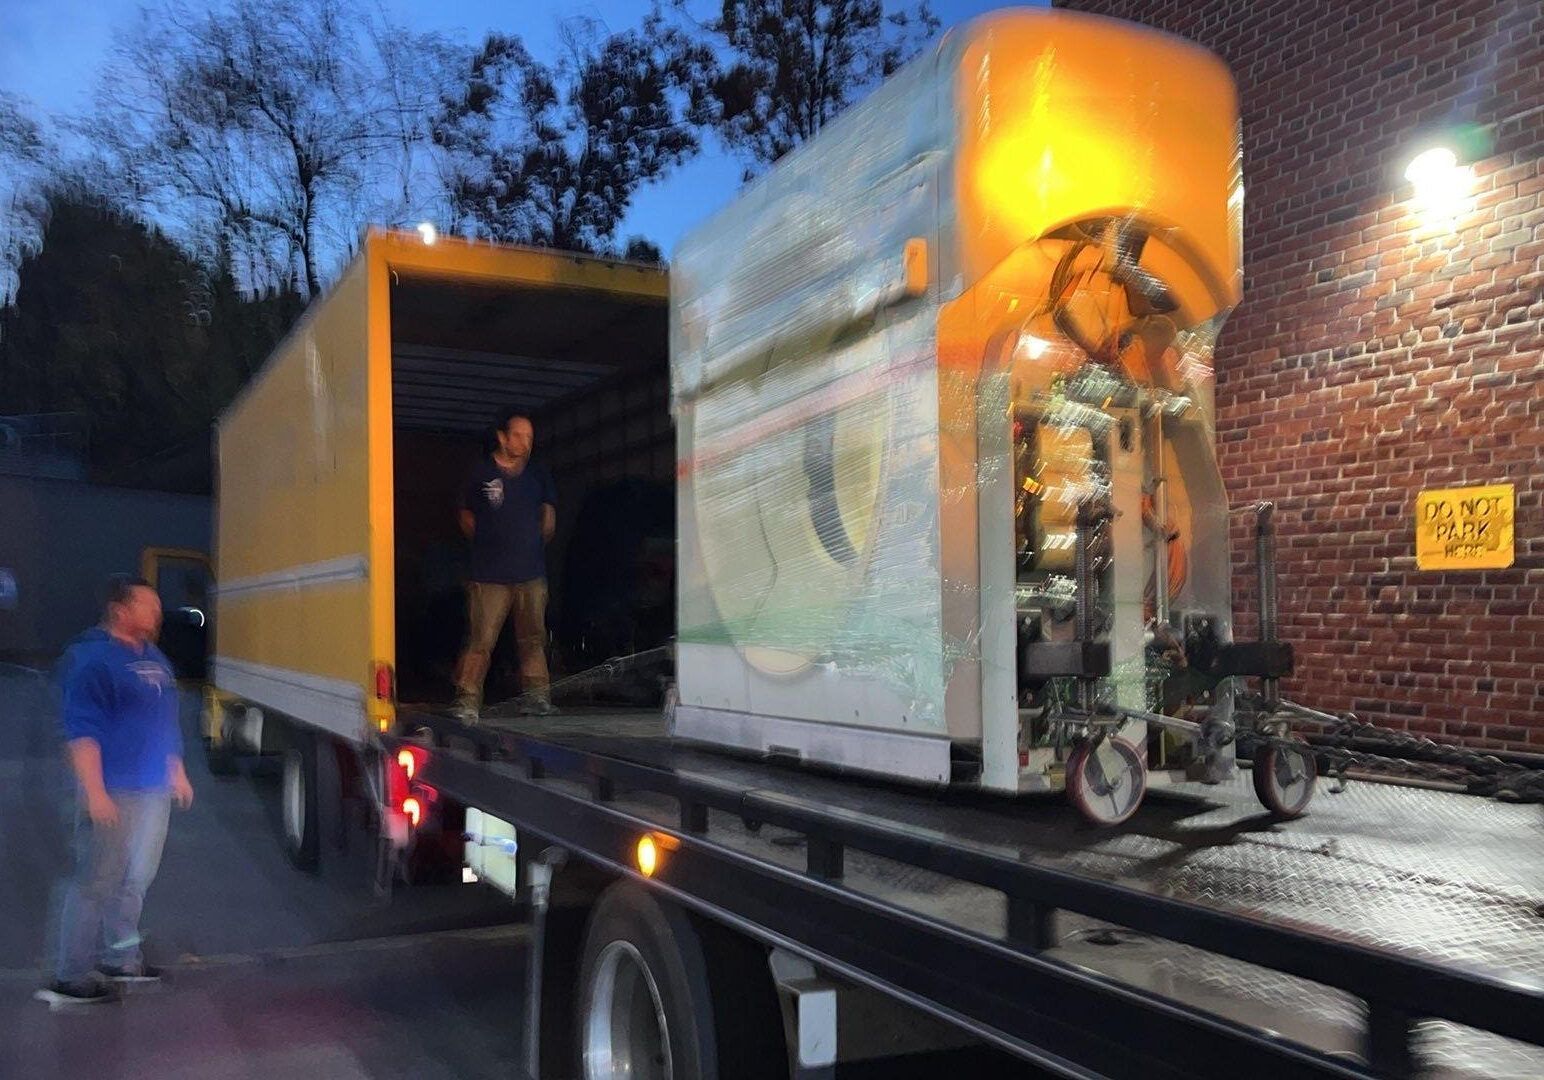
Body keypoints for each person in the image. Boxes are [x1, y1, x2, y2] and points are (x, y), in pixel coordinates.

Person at [37, 575, 194, 1006]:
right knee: (96, 881)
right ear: (120, 610)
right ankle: (71, 976)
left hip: (152, 792)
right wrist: (93, 791)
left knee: (135, 880)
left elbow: (165, 719)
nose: (157, 614)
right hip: (113, 791)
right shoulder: (92, 659)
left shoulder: (154, 658)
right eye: (148, 606)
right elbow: (81, 731)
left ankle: (121, 960)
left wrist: (176, 769)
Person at [453, 408, 559, 720]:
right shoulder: (481, 473)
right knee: (481, 640)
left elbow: (548, 516)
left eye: (529, 437)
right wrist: (488, 541)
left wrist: (536, 540)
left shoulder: (538, 474)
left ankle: (537, 697)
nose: (525, 443)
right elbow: (465, 513)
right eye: (518, 436)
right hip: (489, 576)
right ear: (502, 437)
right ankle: (467, 700)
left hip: (531, 574)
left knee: (533, 639)